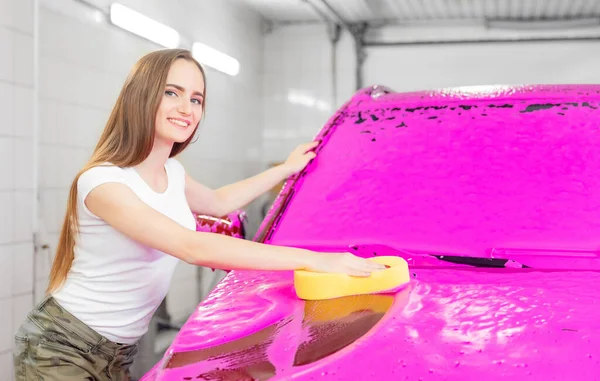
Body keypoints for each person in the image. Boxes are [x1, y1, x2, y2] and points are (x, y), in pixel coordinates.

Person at [12, 48, 384, 380]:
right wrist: (317, 261)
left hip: (118, 353)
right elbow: (190, 246)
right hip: (62, 347)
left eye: (196, 99)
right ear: (141, 97)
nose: (186, 109)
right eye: (171, 93)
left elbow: (220, 201)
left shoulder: (172, 173)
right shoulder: (103, 183)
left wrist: (284, 169)